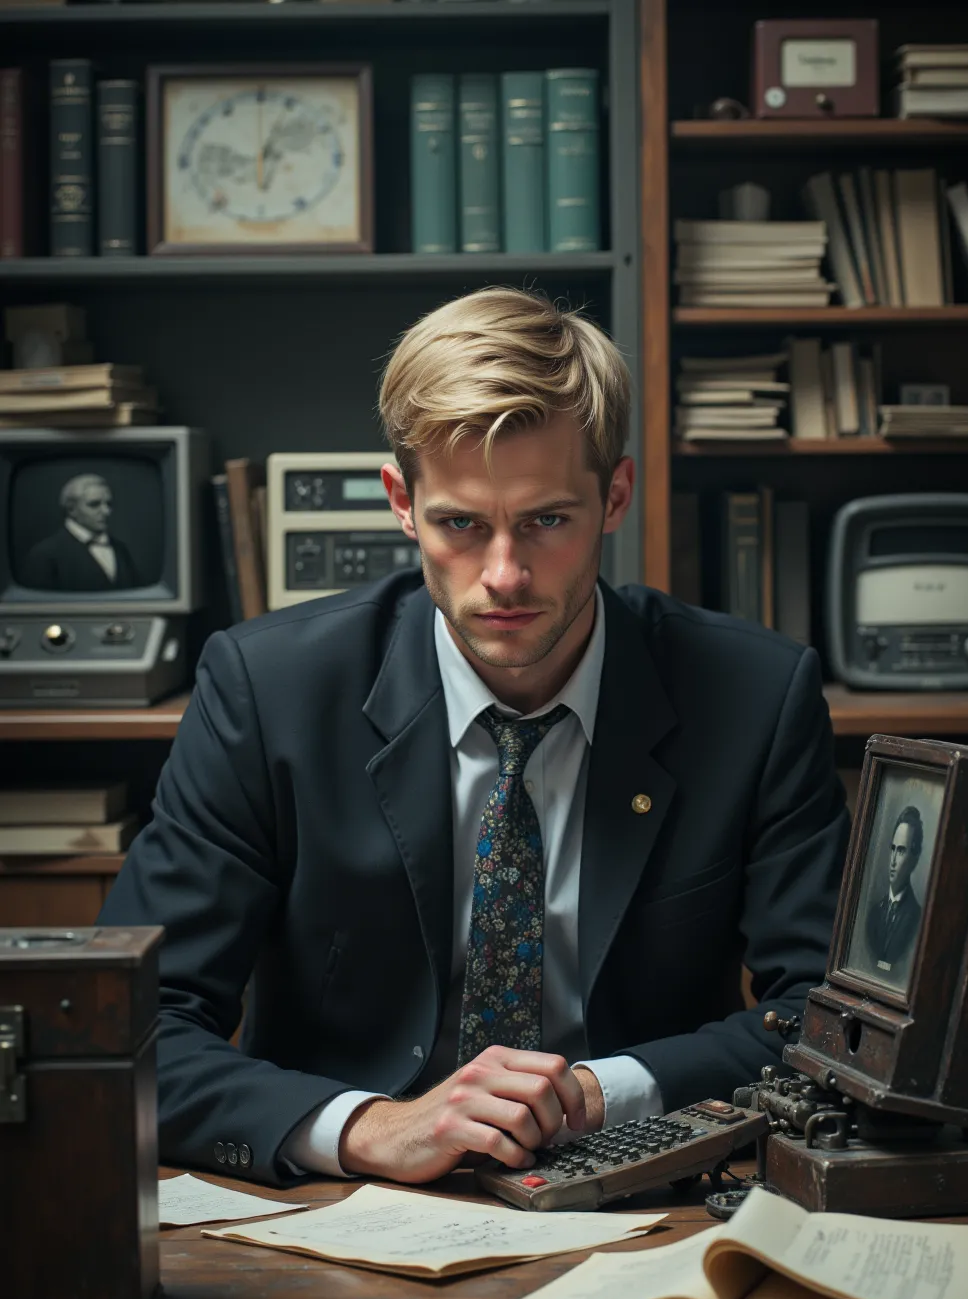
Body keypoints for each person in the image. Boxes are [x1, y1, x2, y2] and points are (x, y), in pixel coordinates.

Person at [99, 287, 850, 1188]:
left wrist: (598, 1093)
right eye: (461, 523)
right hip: (340, 1205)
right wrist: (370, 1127)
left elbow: (829, 1018)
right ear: (402, 502)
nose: (505, 574)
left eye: (546, 520)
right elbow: (128, 1028)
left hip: (650, 1196)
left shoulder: (757, 698)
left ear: (614, 496)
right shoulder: (266, 692)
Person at [20, 473, 140, 592]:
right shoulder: (44, 554)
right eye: (94, 504)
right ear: (71, 509)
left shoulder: (121, 549)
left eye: (109, 504)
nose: (106, 511)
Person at [864, 804, 924, 982]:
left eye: (902, 850)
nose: (893, 860)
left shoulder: (917, 918)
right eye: (893, 849)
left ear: (914, 859)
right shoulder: (874, 913)